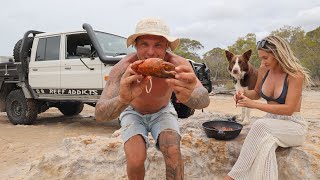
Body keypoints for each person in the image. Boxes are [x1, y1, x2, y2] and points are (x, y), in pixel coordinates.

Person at [95, 18, 210, 180]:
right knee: (135, 159)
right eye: (144, 44)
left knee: (173, 152)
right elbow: (99, 114)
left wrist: (189, 96)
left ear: (166, 47)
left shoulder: (177, 64)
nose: (150, 52)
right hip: (132, 111)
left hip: (162, 111)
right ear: (135, 45)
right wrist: (122, 99)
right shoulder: (123, 67)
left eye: (158, 45)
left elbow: (204, 99)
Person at [224, 35, 313, 180]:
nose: (262, 62)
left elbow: (289, 109)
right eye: (260, 58)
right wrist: (242, 93)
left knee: (259, 125)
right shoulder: (264, 69)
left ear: (278, 55)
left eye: (265, 58)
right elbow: (256, 93)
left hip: (293, 125)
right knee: (265, 149)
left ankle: (232, 177)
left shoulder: (295, 75)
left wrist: (254, 105)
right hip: (271, 122)